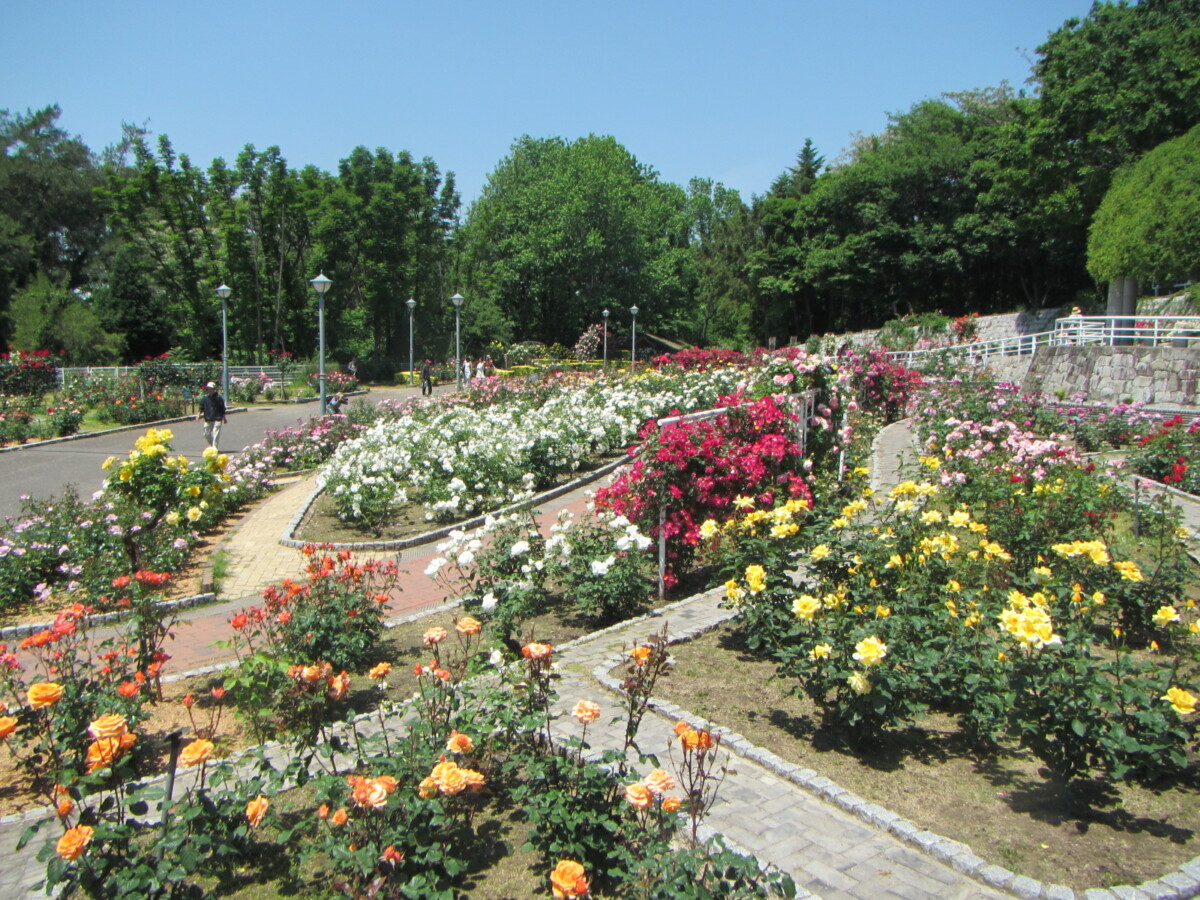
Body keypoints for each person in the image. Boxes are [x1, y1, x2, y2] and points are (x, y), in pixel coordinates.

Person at [197, 382, 227, 450]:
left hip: (217, 417)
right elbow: (201, 407)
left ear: (214, 389)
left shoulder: (219, 398)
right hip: (208, 418)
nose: (208, 390)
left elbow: (222, 408)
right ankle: (212, 445)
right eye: (207, 389)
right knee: (206, 434)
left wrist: (224, 418)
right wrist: (198, 415)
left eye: (210, 389)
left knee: (215, 434)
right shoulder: (205, 398)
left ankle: (214, 448)